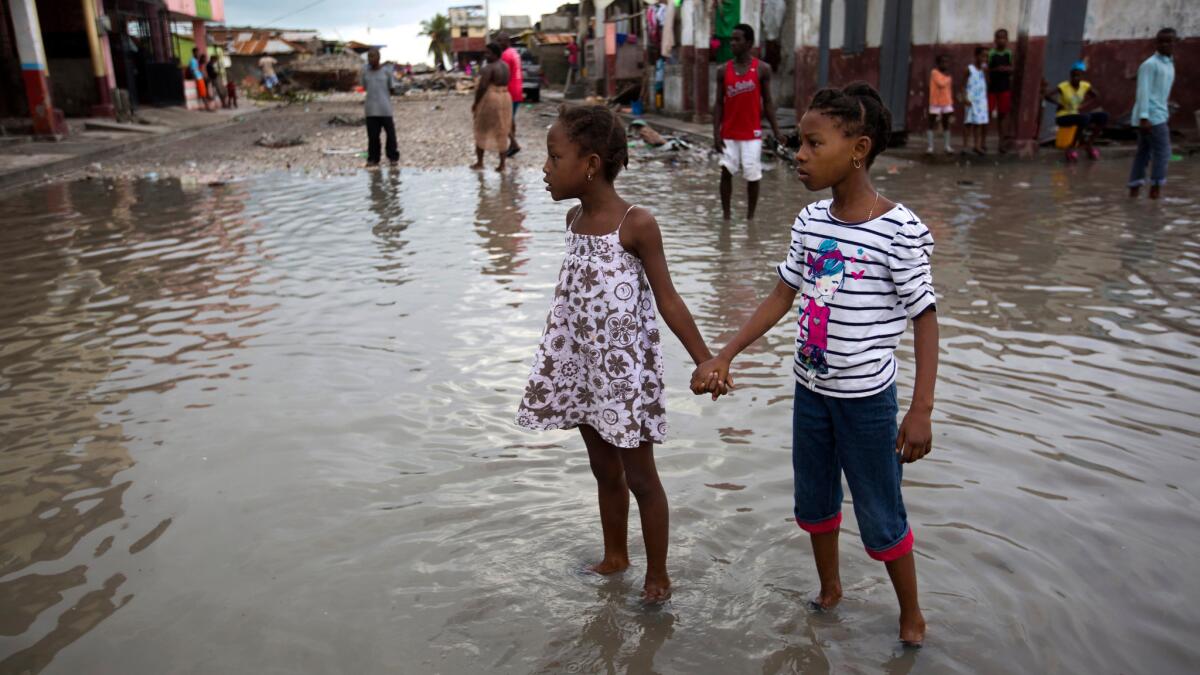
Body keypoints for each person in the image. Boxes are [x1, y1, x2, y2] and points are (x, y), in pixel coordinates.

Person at [692, 81, 938, 647]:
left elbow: (925, 319)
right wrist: (725, 353)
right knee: (815, 502)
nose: (797, 154)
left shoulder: (898, 231)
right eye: (798, 143)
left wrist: (920, 411)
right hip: (812, 393)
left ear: (858, 148)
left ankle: (912, 614)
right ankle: (830, 588)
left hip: (869, 403)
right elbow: (783, 294)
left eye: (812, 143)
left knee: (881, 513)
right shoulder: (811, 222)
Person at [516, 104, 722, 603]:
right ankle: (615, 556)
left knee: (640, 477)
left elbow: (668, 297)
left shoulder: (637, 224)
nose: (544, 168)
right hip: (582, 367)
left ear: (589, 164)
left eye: (553, 156)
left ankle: (658, 577)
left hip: (623, 376)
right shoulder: (573, 218)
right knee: (604, 470)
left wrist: (705, 358)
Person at [712, 23, 783, 221]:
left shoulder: (762, 69)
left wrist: (777, 131)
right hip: (729, 133)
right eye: (731, 40)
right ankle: (726, 217)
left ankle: (750, 219)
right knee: (726, 171)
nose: (732, 43)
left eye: (737, 40)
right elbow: (718, 104)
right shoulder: (722, 71)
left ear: (749, 43)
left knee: (753, 175)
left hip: (752, 134)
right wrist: (716, 133)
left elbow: (768, 103)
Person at [1128, 28, 1177, 199]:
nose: (1165, 44)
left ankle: (1134, 188)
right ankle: (1155, 189)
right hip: (1151, 117)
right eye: (1161, 41)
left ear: (1174, 43)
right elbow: (1143, 92)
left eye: (1169, 41)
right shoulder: (1150, 64)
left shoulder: (1169, 64)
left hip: (1160, 114)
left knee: (1143, 152)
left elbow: (1160, 91)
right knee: (1163, 153)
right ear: (1156, 43)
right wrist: (1143, 117)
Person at [1044, 61, 1108, 162]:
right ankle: (1072, 146)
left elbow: (1096, 96)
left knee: (1103, 116)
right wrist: (1058, 104)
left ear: (1082, 76)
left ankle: (1089, 144)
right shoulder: (1063, 86)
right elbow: (1047, 95)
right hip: (1063, 116)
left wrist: (1083, 106)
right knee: (1084, 118)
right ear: (1070, 76)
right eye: (1073, 76)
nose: (1075, 78)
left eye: (1078, 76)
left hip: (1076, 114)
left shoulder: (1085, 86)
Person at [471, 43, 513, 172]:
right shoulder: (505, 66)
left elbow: (483, 86)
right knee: (502, 129)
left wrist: (476, 103)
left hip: (491, 98)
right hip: (506, 97)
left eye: (488, 53)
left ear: (495, 54)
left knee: (481, 129)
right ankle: (502, 165)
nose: (486, 55)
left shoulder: (489, 68)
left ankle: (480, 162)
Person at [361, 48, 398, 167]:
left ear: (378, 58)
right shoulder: (365, 72)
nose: (371, 59)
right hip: (371, 110)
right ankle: (373, 159)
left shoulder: (386, 71)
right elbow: (365, 87)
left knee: (390, 135)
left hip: (385, 109)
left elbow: (392, 88)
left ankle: (392, 157)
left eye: (373, 57)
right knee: (373, 137)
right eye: (369, 57)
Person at [497, 33, 525, 157]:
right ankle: (511, 145)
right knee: (510, 119)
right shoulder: (515, 52)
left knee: (503, 120)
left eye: (499, 41)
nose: (498, 43)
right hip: (518, 89)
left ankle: (514, 144)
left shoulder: (505, 55)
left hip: (509, 91)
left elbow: (503, 75)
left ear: (505, 41)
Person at [987, 29, 1014, 153]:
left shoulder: (1009, 53)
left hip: (1004, 87)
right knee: (986, 113)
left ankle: (1001, 142)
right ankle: (982, 142)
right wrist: (996, 70)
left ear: (1007, 39)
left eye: (1003, 37)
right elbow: (986, 69)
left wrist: (1006, 69)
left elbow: (1013, 68)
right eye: (999, 38)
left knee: (1003, 115)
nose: (1001, 40)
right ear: (995, 40)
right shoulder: (991, 53)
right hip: (992, 87)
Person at [962, 46, 989, 154]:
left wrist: (987, 72)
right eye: (983, 56)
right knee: (968, 123)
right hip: (971, 99)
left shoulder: (984, 70)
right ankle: (965, 146)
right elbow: (963, 85)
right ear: (976, 56)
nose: (984, 59)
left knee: (979, 123)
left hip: (981, 100)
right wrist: (964, 97)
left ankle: (977, 146)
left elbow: (987, 83)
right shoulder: (969, 69)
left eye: (986, 57)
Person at [926, 54, 953, 154]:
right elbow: (941, 84)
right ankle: (930, 146)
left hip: (946, 102)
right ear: (938, 64)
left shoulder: (947, 75)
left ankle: (947, 146)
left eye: (946, 62)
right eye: (943, 62)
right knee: (931, 123)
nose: (945, 64)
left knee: (946, 123)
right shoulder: (935, 73)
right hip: (935, 102)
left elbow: (948, 90)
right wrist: (948, 78)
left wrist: (950, 101)